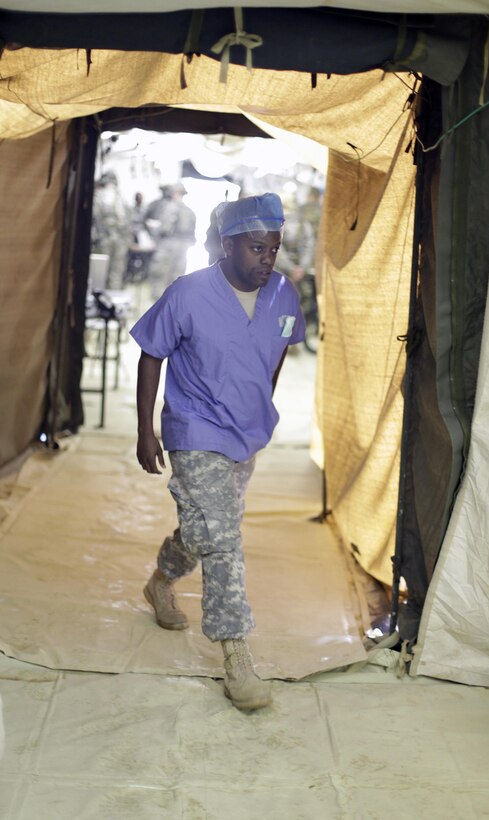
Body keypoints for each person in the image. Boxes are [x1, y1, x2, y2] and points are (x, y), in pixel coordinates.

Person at [130, 193, 306, 711]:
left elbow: (276, 355)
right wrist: (146, 429)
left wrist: (260, 403)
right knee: (224, 539)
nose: (267, 259)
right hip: (195, 428)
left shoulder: (283, 295)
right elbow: (150, 353)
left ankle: (161, 581)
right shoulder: (188, 293)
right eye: (256, 249)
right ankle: (237, 658)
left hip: (246, 433)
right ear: (228, 245)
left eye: (273, 249)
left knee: (205, 529)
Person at [144, 182, 196, 299]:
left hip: (167, 245)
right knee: (176, 276)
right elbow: (192, 234)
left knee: (159, 274)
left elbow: (164, 228)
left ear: (174, 193)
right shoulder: (190, 211)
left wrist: (154, 229)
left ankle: (158, 303)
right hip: (183, 247)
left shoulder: (170, 207)